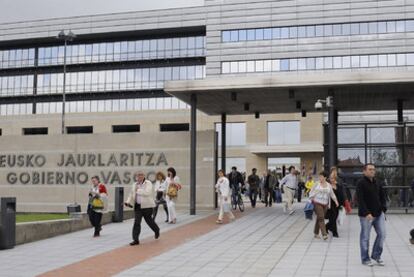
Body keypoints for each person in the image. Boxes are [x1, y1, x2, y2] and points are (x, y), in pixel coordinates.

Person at [357, 163, 387, 266]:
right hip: (366, 216)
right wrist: (366, 213)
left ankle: (376, 255)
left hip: (379, 214)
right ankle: (365, 259)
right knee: (365, 237)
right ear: (364, 171)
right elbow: (360, 200)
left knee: (382, 234)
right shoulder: (360, 183)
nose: (372, 171)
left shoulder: (377, 183)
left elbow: (383, 197)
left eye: (373, 169)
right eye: (370, 169)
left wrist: (383, 209)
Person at [125, 171, 160, 246]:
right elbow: (131, 194)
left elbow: (147, 193)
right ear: (136, 177)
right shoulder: (135, 184)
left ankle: (156, 230)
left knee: (149, 221)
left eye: (141, 175)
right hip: (138, 206)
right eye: (138, 176)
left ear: (144, 176)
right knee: (137, 222)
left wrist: (138, 190)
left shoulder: (148, 183)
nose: (139, 177)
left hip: (147, 206)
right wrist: (127, 201)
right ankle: (135, 239)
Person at [309, 171, 339, 240]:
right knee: (321, 218)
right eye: (319, 176)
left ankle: (316, 233)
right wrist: (312, 197)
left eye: (321, 177)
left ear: (325, 177)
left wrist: (336, 201)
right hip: (317, 203)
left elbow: (332, 194)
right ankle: (324, 234)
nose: (320, 178)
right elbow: (311, 192)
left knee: (319, 218)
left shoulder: (329, 185)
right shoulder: (316, 184)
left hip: (325, 204)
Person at [325, 168, 346, 237]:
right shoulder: (328, 186)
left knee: (334, 218)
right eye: (331, 178)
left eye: (334, 178)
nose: (332, 179)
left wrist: (342, 204)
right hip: (330, 205)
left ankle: (326, 227)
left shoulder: (338, 186)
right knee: (333, 218)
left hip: (338, 204)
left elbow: (341, 195)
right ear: (329, 179)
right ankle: (335, 233)